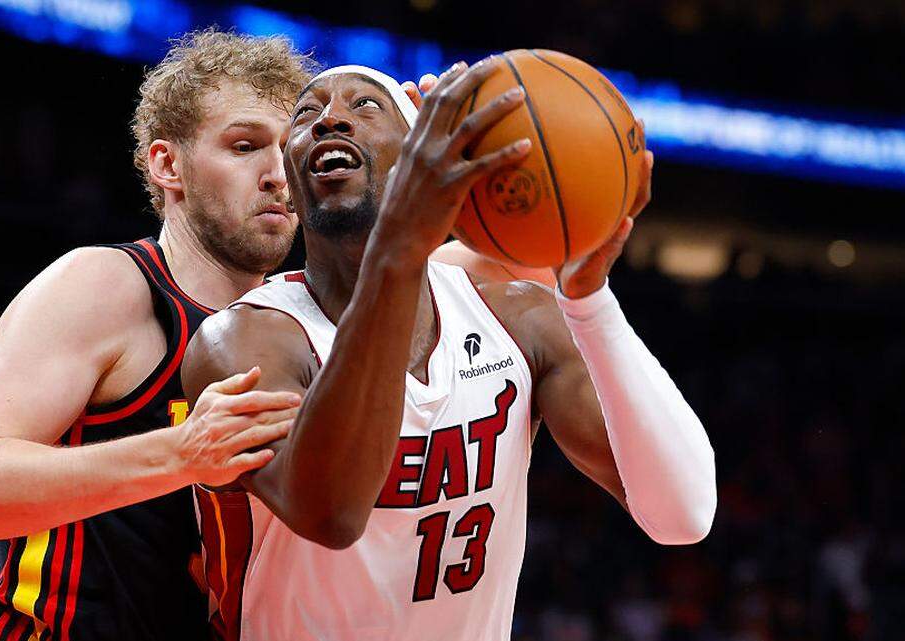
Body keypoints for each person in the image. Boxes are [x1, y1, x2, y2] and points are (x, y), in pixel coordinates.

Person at [181, 60, 717, 640]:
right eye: (307, 116)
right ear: (291, 176)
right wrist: (404, 247)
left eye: (365, 106)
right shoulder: (245, 341)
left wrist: (588, 299)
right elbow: (331, 513)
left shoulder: (516, 319)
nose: (330, 118)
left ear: (418, 151)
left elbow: (681, 516)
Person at [0, 30, 315, 641]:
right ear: (167, 164)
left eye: (290, 151)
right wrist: (182, 455)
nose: (276, 176)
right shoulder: (110, 287)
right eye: (244, 146)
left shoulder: (304, 317)